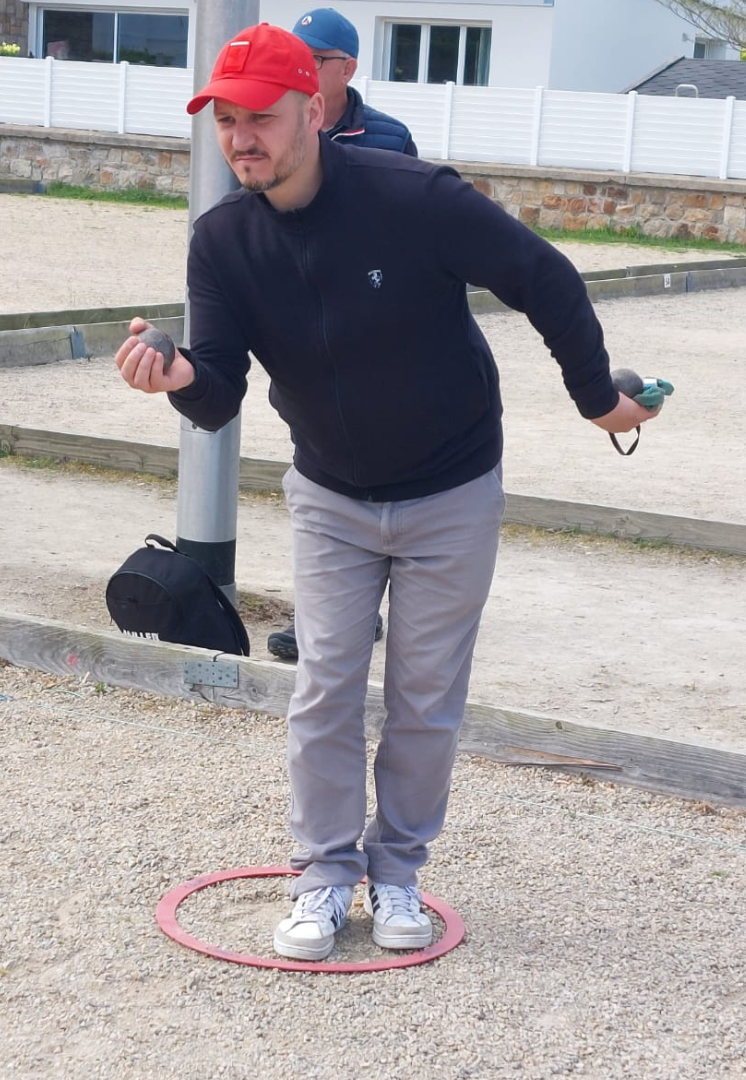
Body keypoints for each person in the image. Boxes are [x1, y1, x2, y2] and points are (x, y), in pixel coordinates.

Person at [115, 24, 657, 961]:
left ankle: (398, 872)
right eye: (227, 121)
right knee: (325, 686)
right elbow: (219, 395)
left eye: (263, 118)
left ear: (313, 110)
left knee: (423, 693)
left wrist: (596, 400)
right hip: (331, 494)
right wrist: (178, 385)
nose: (242, 138)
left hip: (451, 485)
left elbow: (545, 276)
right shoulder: (224, 241)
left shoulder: (416, 197)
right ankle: (325, 876)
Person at [265, 7, 414, 662]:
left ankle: (366, 608)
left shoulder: (387, 137)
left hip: (377, 334)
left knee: (375, 469)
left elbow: (407, 230)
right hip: (305, 333)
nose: (296, 69)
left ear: (345, 69)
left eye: (312, 59)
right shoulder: (275, 130)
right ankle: (325, 615)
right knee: (318, 472)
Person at [292, 7, 417, 157]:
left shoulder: (393, 142)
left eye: (315, 58)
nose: (301, 68)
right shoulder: (275, 127)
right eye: (297, 55)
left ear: (347, 70)